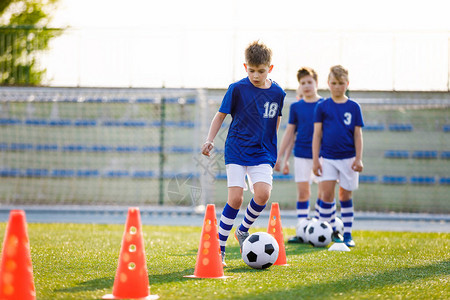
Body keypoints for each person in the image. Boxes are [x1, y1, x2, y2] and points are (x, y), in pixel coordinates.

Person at [201, 41, 285, 266]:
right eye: (251, 70)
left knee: (263, 194)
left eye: (261, 71)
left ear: (270, 68)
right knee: (236, 199)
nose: (256, 75)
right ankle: (219, 248)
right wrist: (210, 140)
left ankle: (243, 230)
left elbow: (275, 122)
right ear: (245, 66)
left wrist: (271, 149)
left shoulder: (278, 93)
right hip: (237, 149)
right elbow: (220, 116)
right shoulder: (236, 89)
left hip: (263, 152)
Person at [312, 65, 364, 247]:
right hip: (327, 158)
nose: (337, 86)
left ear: (347, 84)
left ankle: (348, 233)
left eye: (341, 83)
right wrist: (315, 159)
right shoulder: (322, 107)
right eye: (333, 83)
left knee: (345, 195)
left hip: (349, 158)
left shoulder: (354, 107)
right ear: (328, 83)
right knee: (326, 195)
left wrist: (358, 158)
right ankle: (333, 231)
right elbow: (317, 135)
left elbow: (358, 134)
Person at [274, 67, 323, 243]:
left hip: (323, 156)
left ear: (316, 83)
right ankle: (302, 230)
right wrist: (280, 158)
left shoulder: (324, 105)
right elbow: (289, 133)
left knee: (324, 193)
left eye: (310, 82)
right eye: (303, 83)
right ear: (300, 86)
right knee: (303, 193)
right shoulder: (296, 107)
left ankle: (320, 226)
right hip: (302, 155)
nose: (307, 85)